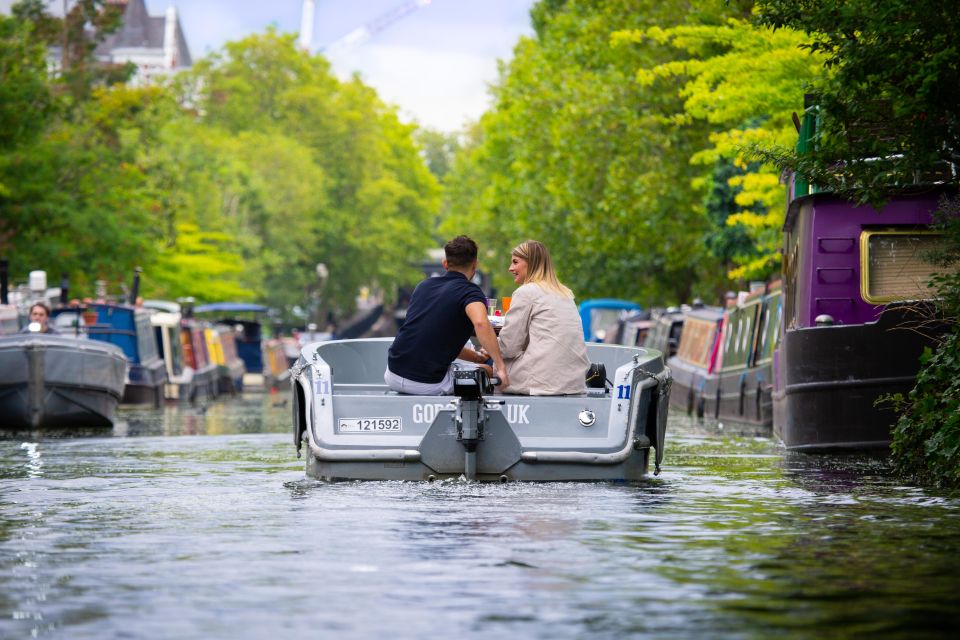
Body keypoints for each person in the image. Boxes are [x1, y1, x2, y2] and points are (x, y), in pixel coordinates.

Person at [385, 235, 508, 395]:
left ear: (445, 264)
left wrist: (477, 356)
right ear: (475, 265)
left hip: (393, 373)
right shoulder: (470, 292)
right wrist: (500, 366)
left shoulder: (423, 287)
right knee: (487, 370)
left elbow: (432, 336)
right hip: (427, 383)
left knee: (469, 364)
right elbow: (481, 323)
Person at [490, 240, 589, 395]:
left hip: (541, 381)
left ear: (531, 263)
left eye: (515, 262)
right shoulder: (565, 294)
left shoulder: (526, 292)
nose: (511, 268)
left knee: (494, 368)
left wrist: (488, 349)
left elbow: (508, 347)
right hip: (574, 382)